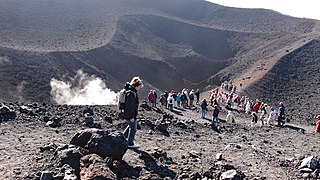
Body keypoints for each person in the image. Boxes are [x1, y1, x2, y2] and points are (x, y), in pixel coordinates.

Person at [123, 76, 143, 149]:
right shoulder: (131, 93)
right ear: (136, 86)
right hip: (130, 114)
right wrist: (131, 116)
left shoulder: (131, 91)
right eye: (139, 87)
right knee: (133, 129)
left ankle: (122, 137)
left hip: (129, 114)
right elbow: (130, 107)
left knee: (130, 126)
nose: (140, 88)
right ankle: (130, 143)